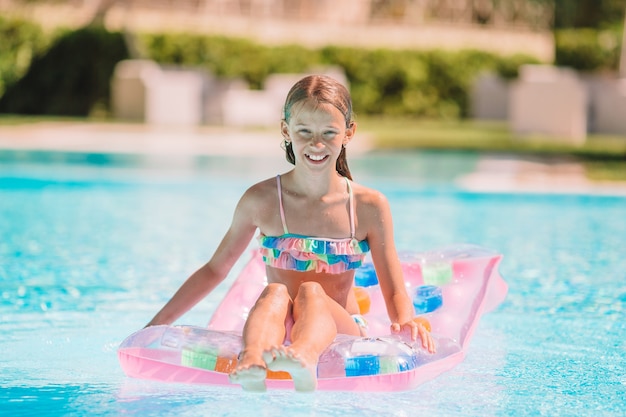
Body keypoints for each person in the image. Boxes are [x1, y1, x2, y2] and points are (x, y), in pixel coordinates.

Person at [145, 74, 436, 392]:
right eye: (304, 132)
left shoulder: (368, 206)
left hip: (340, 330)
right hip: (277, 328)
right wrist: (156, 326)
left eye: (329, 133)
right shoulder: (263, 200)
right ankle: (252, 359)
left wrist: (405, 322)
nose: (316, 144)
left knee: (312, 291)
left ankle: (304, 358)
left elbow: (393, 287)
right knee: (274, 292)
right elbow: (216, 269)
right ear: (286, 131)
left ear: (349, 133)